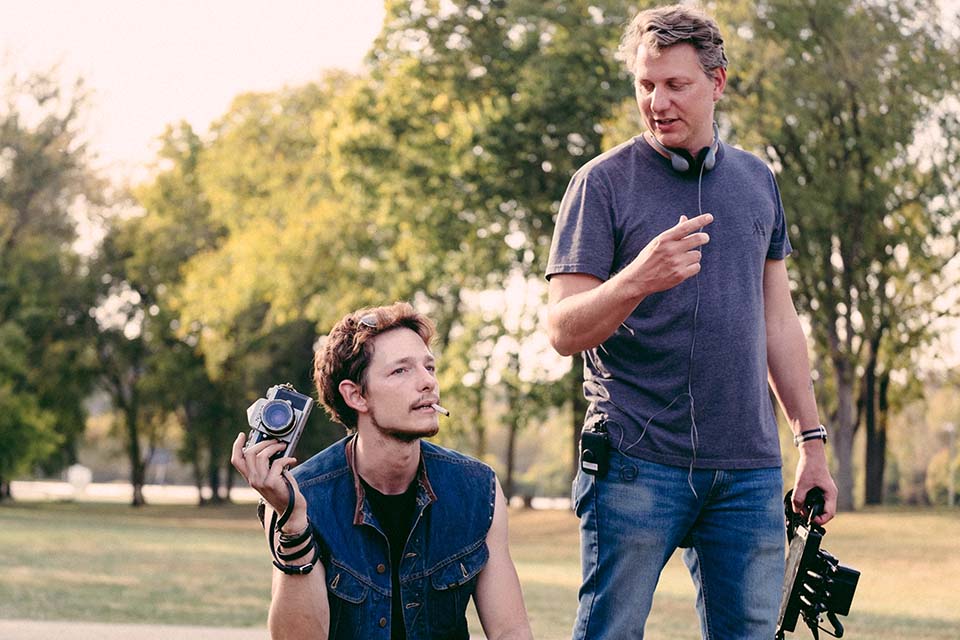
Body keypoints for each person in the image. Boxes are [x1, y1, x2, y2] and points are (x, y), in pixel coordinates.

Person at [544, 5, 838, 639]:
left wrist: (810, 445)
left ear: (718, 82)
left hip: (748, 470)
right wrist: (637, 278)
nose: (657, 101)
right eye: (646, 84)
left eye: (675, 84)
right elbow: (563, 329)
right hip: (633, 462)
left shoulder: (758, 181)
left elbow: (778, 320)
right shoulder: (599, 184)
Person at [231, 302, 533, 640]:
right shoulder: (296, 495)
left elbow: (511, 630)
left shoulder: (478, 489)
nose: (428, 383)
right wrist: (293, 523)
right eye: (401, 370)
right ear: (356, 395)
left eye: (429, 367)